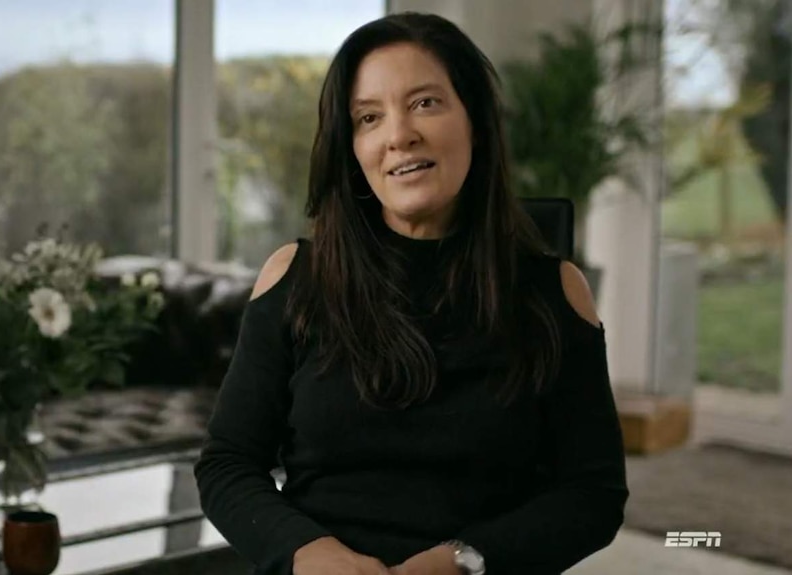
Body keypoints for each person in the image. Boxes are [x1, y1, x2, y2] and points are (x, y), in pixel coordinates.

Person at [195, 11, 629, 575]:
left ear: (475, 119)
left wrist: (464, 561)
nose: (399, 135)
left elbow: (592, 494)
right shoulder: (294, 278)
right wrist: (311, 554)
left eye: (426, 103)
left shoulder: (553, 292)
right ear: (350, 147)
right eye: (369, 117)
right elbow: (227, 465)